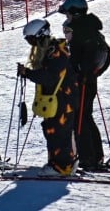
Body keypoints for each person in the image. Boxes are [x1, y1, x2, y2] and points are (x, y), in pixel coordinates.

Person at [18, 19, 79, 176]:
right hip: (56, 99)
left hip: (64, 99)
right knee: (52, 130)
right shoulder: (50, 50)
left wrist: (28, 73)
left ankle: (63, 166)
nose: (31, 44)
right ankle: (57, 162)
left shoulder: (56, 52)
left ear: (41, 35)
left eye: (32, 39)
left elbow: (49, 77)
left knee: (59, 131)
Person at [57, 0, 109, 171]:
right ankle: (95, 156)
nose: (67, 18)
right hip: (87, 79)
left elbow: (80, 57)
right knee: (85, 116)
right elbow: (106, 54)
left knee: (80, 119)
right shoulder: (89, 28)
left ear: (75, 13)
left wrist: (83, 73)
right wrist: (94, 72)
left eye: (68, 14)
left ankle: (88, 159)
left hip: (83, 81)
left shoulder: (81, 31)